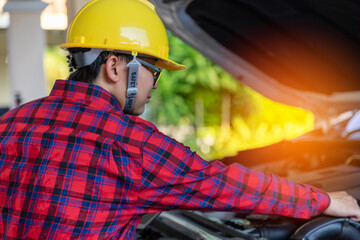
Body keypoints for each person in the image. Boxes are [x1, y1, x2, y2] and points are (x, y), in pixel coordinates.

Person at [0, 0, 359, 239]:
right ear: (114, 66)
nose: (155, 84)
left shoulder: (11, 124)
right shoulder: (130, 144)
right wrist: (325, 201)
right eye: (153, 71)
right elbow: (225, 184)